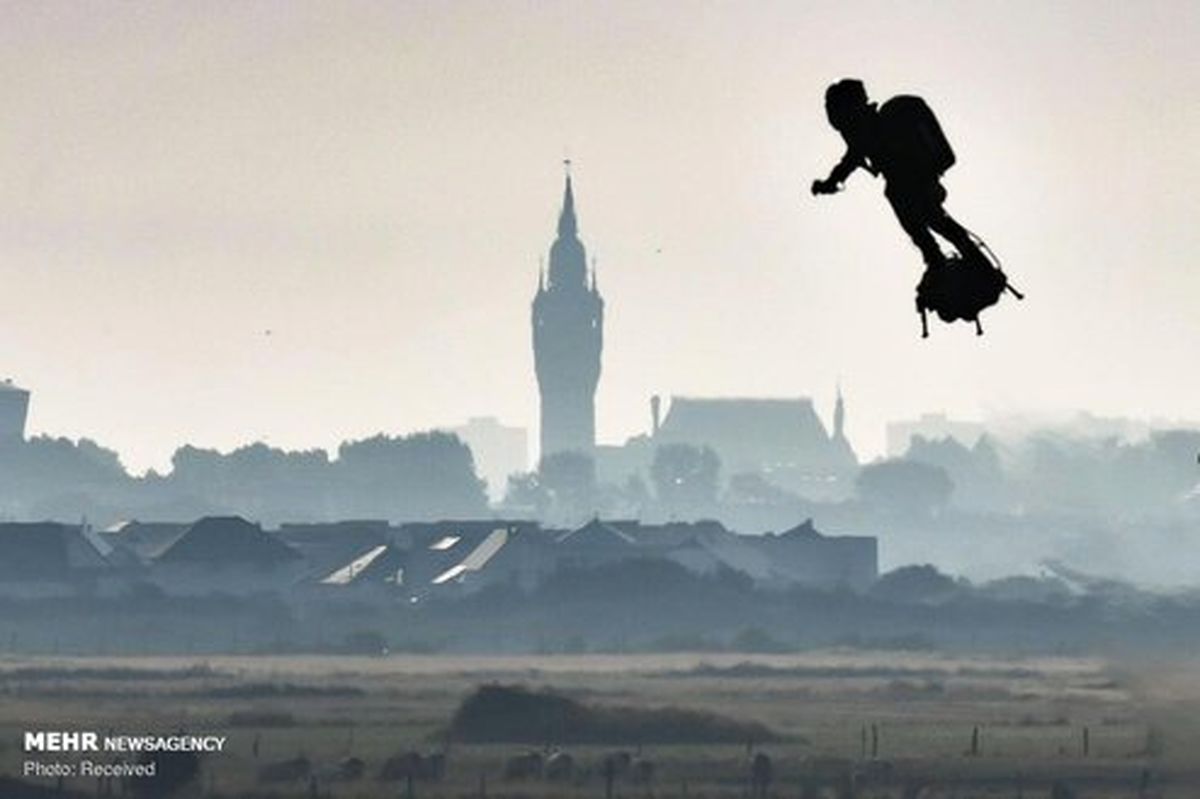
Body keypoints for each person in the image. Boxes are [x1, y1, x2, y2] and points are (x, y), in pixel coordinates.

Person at [811, 78, 983, 269]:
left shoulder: (868, 129)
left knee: (923, 215)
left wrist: (829, 184)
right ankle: (950, 257)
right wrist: (829, 183)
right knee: (932, 219)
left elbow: (849, 162)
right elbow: (848, 162)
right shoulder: (867, 128)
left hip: (913, 178)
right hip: (914, 178)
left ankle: (940, 258)